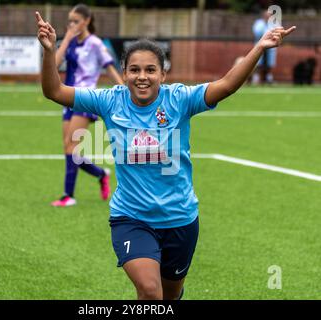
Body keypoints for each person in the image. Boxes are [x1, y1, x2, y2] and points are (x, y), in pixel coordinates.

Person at [36, 11, 295, 300]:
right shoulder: (110, 100)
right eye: (134, 70)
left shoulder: (179, 99)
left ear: (163, 73)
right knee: (149, 291)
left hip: (180, 219)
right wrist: (49, 52)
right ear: (124, 74)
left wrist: (259, 47)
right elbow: (54, 90)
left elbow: (226, 85)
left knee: (170, 297)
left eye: (150, 70)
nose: (142, 77)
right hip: (131, 218)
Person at [51, 4, 124, 207]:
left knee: (72, 146)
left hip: (86, 98)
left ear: (87, 21)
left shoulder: (95, 44)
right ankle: (101, 174)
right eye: (70, 21)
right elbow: (54, 64)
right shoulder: (72, 42)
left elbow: (110, 69)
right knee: (68, 147)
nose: (72, 24)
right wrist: (65, 38)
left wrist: (126, 92)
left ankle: (68, 195)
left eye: (76, 21)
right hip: (68, 96)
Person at [252, 10, 278, 84]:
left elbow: (276, 33)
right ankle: (256, 79)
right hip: (260, 45)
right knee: (257, 63)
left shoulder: (274, 24)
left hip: (271, 47)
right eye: (267, 15)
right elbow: (257, 33)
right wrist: (264, 23)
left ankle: (269, 79)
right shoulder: (259, 23)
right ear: (264, 16)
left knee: (269, 64)